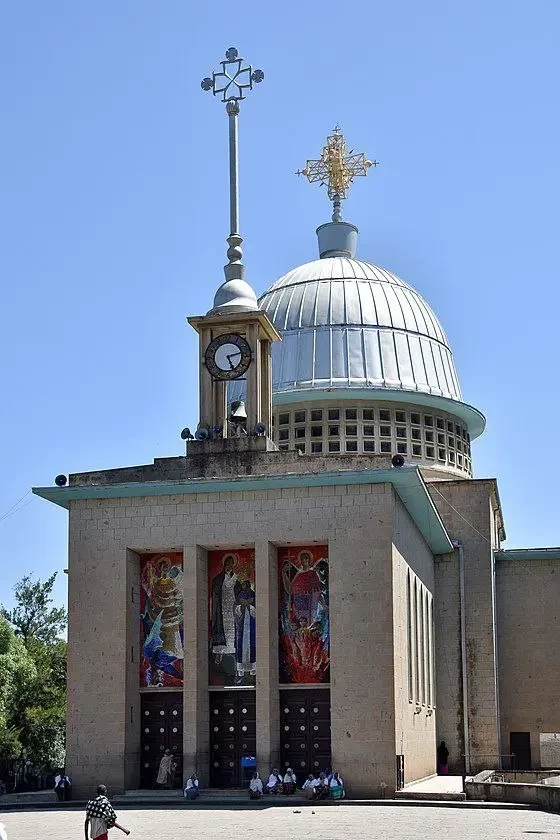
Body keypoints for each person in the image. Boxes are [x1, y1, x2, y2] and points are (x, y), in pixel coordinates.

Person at [211, 554, 240, 666]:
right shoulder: (218, 579)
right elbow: (215, 593)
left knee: (232, 630)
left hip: (232, 608)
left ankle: (234, 656)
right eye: (227, 563)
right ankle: (219, 655)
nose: (229, 566)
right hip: (221, 609)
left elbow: (239, 591)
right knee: (221, 629)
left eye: (231, 564)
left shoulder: (236, 579)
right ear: (224, 564)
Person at [234, 578, 256, 679]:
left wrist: (250, 606)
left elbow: (258, 608)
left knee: (253, 644)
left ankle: (253, 668)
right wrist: (242, 607)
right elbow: (236, 607)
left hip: (252, 623)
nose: (244, 586)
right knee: (240, 644)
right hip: (242, 625)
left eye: (245, 584)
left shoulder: (253, 594)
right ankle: (240, 669)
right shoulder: (240, 595)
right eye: (243, 585)